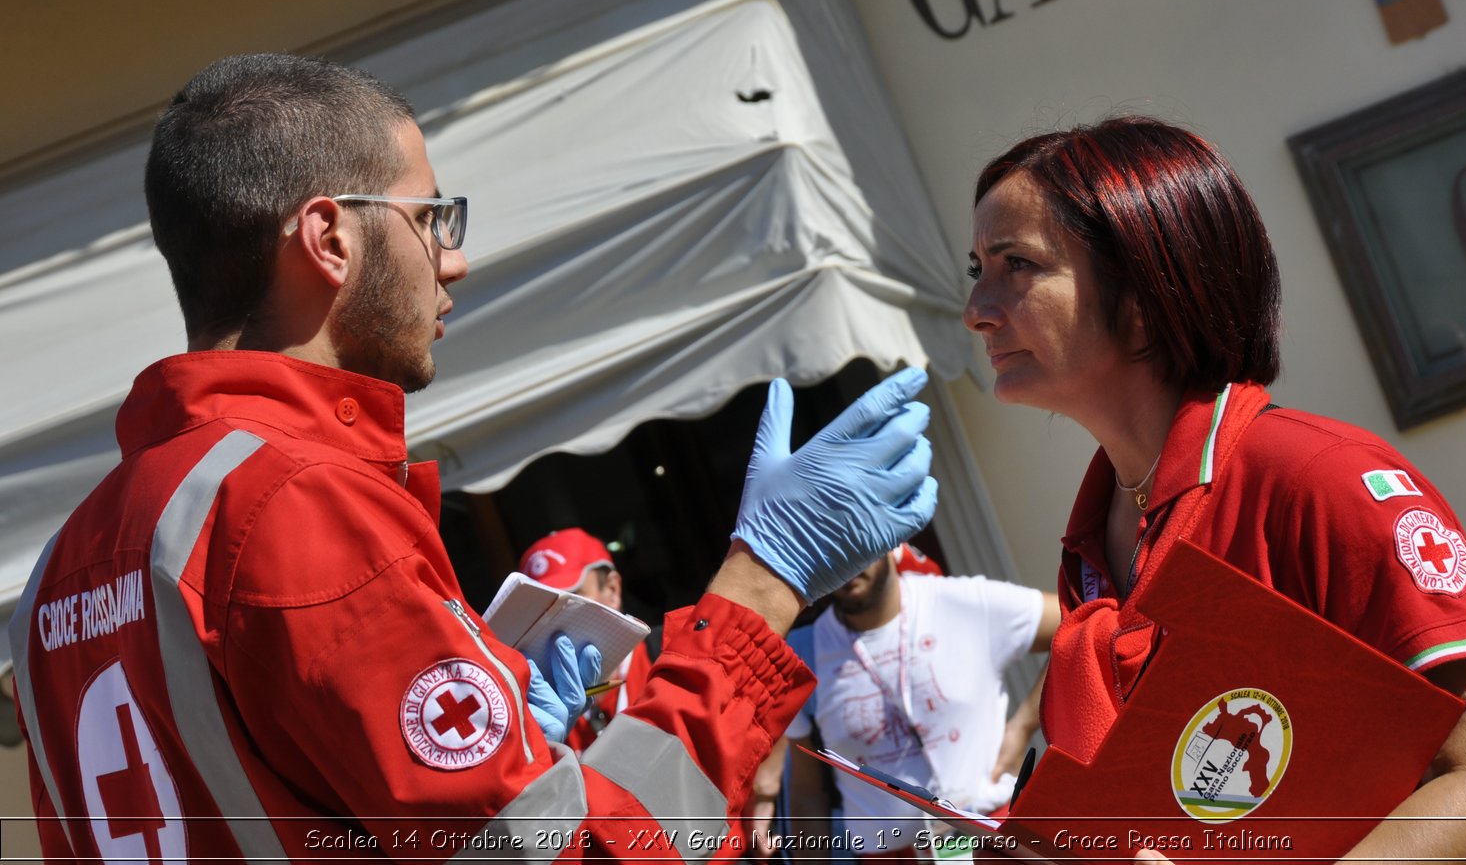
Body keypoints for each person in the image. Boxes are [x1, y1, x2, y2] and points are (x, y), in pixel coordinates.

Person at [6, 52, 938, 863]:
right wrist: (763, 588)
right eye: (430, 218)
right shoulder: (293, 500)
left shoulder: (59, 572)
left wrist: (512, 742)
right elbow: (574, 858)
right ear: (329, 238)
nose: (452, 260)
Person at [962, 116, 1466, 861]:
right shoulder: (1094, 540)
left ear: (1141, 288)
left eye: (1016, 264)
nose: (979, 308)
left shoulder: (1320, 478)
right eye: (976, 267)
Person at [751, 552, 1058, 861]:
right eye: (831, 551)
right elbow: (806, 791)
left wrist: (1024, 725)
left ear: (887, 539)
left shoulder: (960, 602)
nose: (846, 562)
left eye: (856, 543)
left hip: (995, 836)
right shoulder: (804, 651)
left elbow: (1073, 622)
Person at [517, 528, 656, 753]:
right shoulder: (534, 713)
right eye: (542, 608)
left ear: (612, 589)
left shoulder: (667, 657)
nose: (552, 620)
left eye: (571, 599)